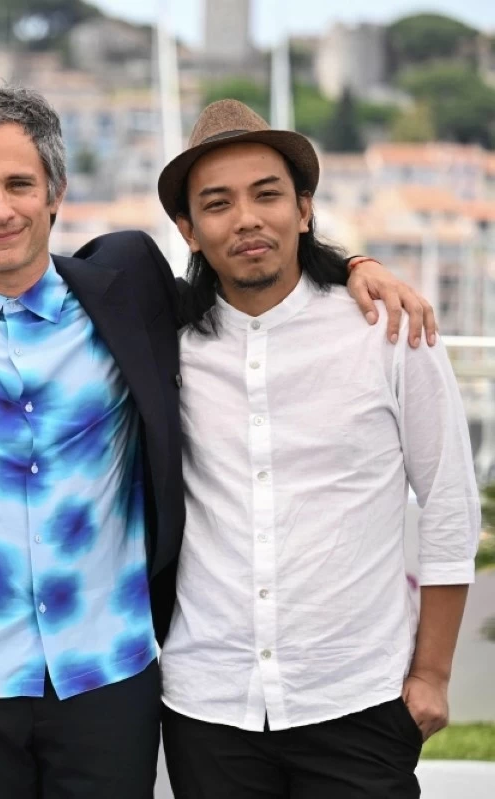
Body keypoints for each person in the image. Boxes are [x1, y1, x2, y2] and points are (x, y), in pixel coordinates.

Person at [0, 84, 435, 798]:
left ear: (56, 191)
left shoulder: (128, 286)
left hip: (111, 677)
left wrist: (355, 264)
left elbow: (246, 272)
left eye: (20, 183)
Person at [156, 99, 478, 799]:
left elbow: (450, 503)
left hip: (358, 697)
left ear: (304, 209)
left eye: (267, 194)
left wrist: (432, 675)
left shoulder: (386, 330)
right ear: (188, 229)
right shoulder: (165, 346)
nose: (246, 218)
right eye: (217, 203)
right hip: (209, 703)